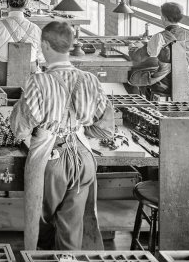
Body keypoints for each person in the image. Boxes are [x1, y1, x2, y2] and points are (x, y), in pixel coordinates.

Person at [10, 21, 115, 251]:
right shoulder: (90, 80)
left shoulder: (38, 82)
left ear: (45, 45)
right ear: (69, 46)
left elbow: (19, 129)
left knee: (42, 227)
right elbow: (107, 127)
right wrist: (79, 130)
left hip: (51, 162)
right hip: (83, 159)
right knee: (71, 230)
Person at [131, 2, 189, 97]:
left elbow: (138, 58)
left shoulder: (160, 37)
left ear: (163, 17)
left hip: (163, 86)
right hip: (185, 84)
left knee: (134, 77)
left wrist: (133, 47)